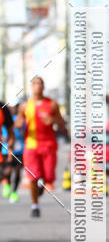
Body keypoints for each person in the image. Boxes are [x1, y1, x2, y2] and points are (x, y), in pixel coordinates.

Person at [16, 77, 65, 217]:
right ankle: (35, 205)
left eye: (40, 83)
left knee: (49, 177)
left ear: (43, 86)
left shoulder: (52, 104)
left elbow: (62, 124)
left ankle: (42, 183)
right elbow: (18, 122)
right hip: (31, 146)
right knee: (32, 177)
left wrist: (54, 120)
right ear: (31, 87)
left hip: (49, 145)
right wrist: (18, 124)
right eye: (35, 83)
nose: (38, 86)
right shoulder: (25, 106)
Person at [0, 101, 15, 198]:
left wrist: (10, 150)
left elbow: (10, 131)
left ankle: (6, 181)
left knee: (9, 170)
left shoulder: (2, 108)